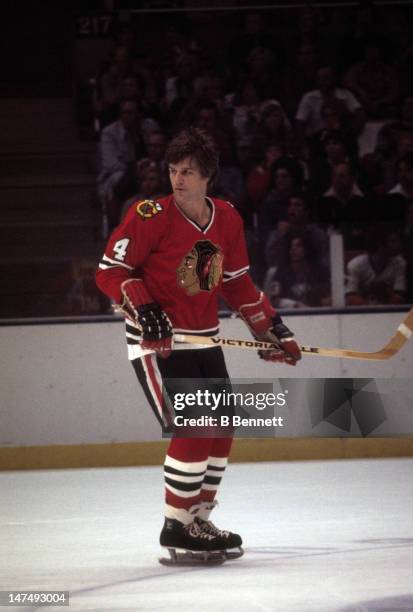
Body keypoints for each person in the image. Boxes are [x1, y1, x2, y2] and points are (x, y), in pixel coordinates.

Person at [95, 127, 301, 564]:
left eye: (187, 171)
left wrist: (271, 327)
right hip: (159, 344)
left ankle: (198, 518)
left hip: (204, 340)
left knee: (221, 430)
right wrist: (143, 305)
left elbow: (235, 281)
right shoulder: (149, 214)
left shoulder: (226, 216)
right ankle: (176, 524)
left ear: (208, 176)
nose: (177, 179)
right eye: (172, 170)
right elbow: (110, 272)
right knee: (196, 425)